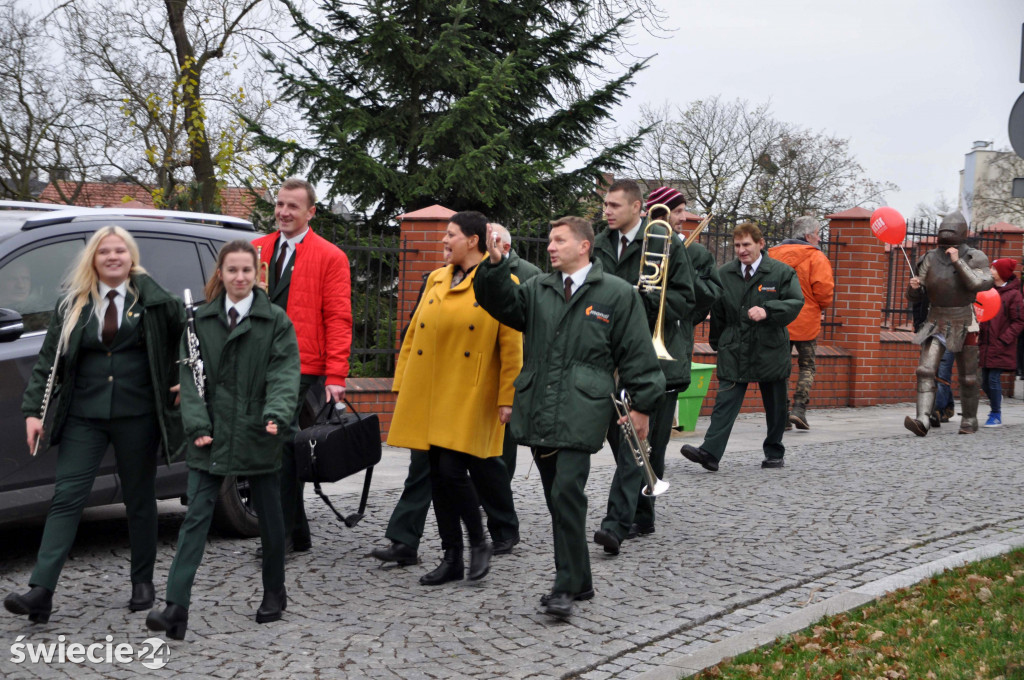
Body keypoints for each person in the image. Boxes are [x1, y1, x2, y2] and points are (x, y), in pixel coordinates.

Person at [474, 215, 665, 619]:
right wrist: (493, 267)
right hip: (541, 406)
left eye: (559, 240)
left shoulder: (615, 293)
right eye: (548, 240)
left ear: (584, 246)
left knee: (566, 494)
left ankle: (564, 586)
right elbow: (500, 305)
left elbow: (636, 352)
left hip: (584, 408)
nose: (550, 247)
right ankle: (581, 581)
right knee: (557, 500)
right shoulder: (538, 288)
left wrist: (642, 406)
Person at [4, 226, 184, 624]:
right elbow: (48, 361)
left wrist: (142, 280)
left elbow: (180, 324)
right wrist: (34, 412)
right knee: (67, 497)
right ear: (93, 259)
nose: (113, 257)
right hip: (84, 416)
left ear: (131, 258)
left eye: (121, 251)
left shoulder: (151, 302)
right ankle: (41, 591)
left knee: (139, 498)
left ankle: (143, 582)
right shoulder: (73, 304)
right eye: (105, 252)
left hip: (137, 415)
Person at [146, 241, 300, 639]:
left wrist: (277, 415)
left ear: (257, 275)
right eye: (231, 270)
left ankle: (274, 592)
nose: (239, 277)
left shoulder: (276, 321)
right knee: (195, 519)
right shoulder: (198, 320)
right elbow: (188, 382)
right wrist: (196, 425)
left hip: (257, 431)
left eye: (246, 271)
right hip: (209, 437)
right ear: (221, 274)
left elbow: (284, 374)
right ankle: (175, 606)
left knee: (270, 518)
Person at [386, 211, 523, 586]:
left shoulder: (501, 282)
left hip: (471, 392)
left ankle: (478, 541)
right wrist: (403, 383)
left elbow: (512, 349)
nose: (443, 241)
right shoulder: (435, 278)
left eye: (450, 235)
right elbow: (413, 334)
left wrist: (506, 397)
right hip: (429, 390)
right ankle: (452, 558)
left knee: (451, 471)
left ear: (473, 241)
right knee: (435, 474)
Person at [591, 179, 695, 554]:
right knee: (621, 441)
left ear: (637, 208)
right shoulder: (599, 244)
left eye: (615, 205)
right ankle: (642, 511)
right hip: (605, 356)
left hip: (650, 359)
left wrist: (650, 298)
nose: (607, 211)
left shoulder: (666, 244)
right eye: (605, 204)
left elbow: (688, 299)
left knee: (635, 443)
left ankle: (617, 523)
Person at [252, 178, 352, 556]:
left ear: (311, 212)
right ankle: (296, 530)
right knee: (279, 447)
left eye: (292, 206)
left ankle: (283, 533)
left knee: (276, 441)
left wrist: (336, 374)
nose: (283, 212)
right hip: (259, 364)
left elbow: (339, 318)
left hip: (301, 365)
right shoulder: (256, 249)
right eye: (279, 204)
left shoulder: (330, 256)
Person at [680, 223, 803, 470]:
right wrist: (719, 342)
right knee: (725, 402)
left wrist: (768, 311)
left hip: (770, 348)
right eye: (737, 245)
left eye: (746, 244)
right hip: (734, 347)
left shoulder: (781, 272)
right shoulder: (724, 274)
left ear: (760, 244)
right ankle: (710, 453)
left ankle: (774, 451)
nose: (741, 250)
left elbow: (795, 302)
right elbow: (718, 312)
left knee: (776, 406)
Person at [904, 211, 993, 436]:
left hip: (964, 318)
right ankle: (922, 419)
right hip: (936, 319)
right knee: (925, 370)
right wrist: (913, 288)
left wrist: (957, 261)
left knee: (968, 376)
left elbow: (978, 284)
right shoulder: (929, 258)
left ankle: (970, 420)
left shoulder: (976, 257)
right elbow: (917, 294)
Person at [768, 216, 835, 430]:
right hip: (806, 320)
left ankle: (782, 414)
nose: (819, 239)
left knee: (780, 367)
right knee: (807, 366)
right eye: (817, 234)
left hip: (779, 320)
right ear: (808, 236)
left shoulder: (772, 255)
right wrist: (819, 306)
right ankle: (799, 409)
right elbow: (824, 292)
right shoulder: (817, 257)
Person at [646, 186, 722, 328]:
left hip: (677, 339)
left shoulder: (697, 252)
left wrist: (684, 323)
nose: (684, 218)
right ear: (659, 217)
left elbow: (711, 296)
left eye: (684, 211)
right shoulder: (641, 246)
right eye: (677, 212)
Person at [978, 258, 1024, 427]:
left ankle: (995, 414)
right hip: (986, 343)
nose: (991, 271)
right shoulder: (989, 290)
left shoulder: (1014, 295)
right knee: (984, 381)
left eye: (994, 269)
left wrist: (1004, 339)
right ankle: (996, 399)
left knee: (993, 379)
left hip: (1002, 344)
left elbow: (1019, 321)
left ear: (1003, 274)